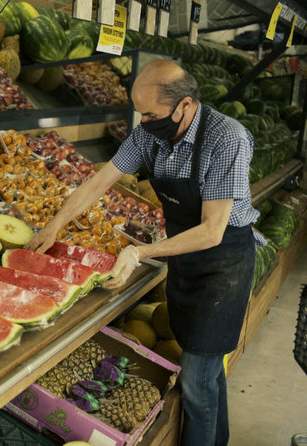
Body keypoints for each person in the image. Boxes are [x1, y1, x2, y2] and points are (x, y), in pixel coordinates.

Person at [25, 59, 262, 446]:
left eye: (151, 114)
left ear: (185, 105)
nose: (144, 122)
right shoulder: (149, 134)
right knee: (207, 369)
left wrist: (141, 252)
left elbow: (212, 229)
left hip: (223, 263)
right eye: (141, 114)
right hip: (183, 255)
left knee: (198, 383)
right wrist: (55, 224)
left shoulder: (226, 138)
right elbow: (98, 182)